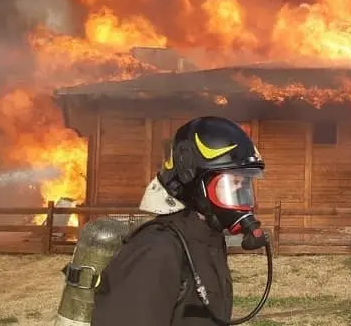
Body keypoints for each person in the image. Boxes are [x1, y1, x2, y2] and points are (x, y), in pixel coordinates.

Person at [91, 116, 269, 326]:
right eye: (231, 182)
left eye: (245, 183)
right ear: (194, 182)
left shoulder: (207, 239)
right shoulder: (157, 249)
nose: (240, 193)